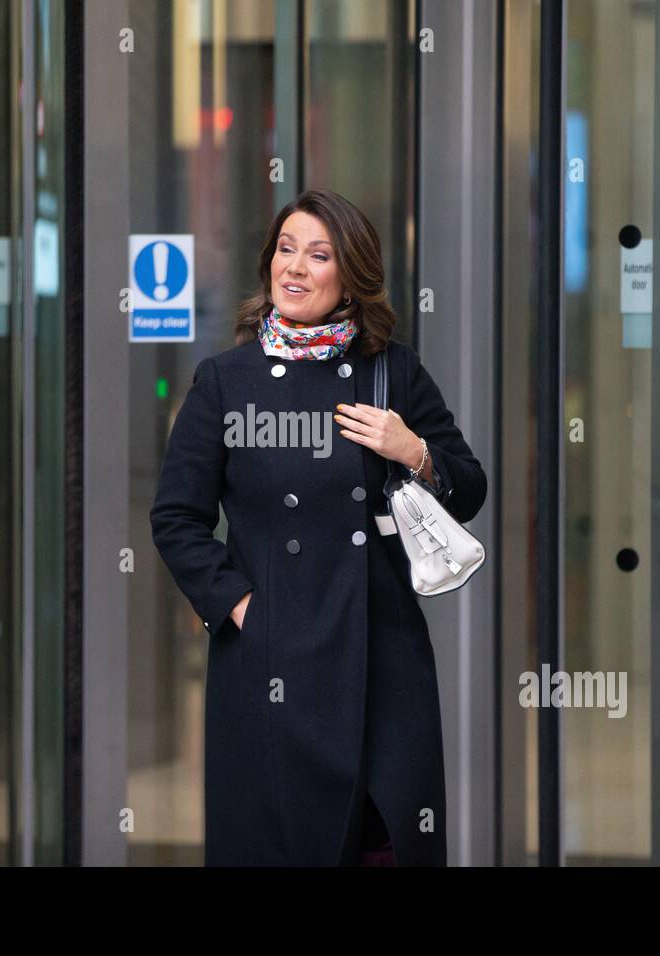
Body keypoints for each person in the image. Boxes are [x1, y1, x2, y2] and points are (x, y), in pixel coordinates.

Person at [150, 187, 486, 866]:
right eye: (285, 249)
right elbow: (176, 517)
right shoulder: (225, 382)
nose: (294, 267)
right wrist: (243, 607)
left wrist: (413, 450)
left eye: (318, 254)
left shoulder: (394, 371)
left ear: (351, 278)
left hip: (382, 663)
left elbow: (470, 489)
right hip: (271, 665)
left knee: (386, 842)